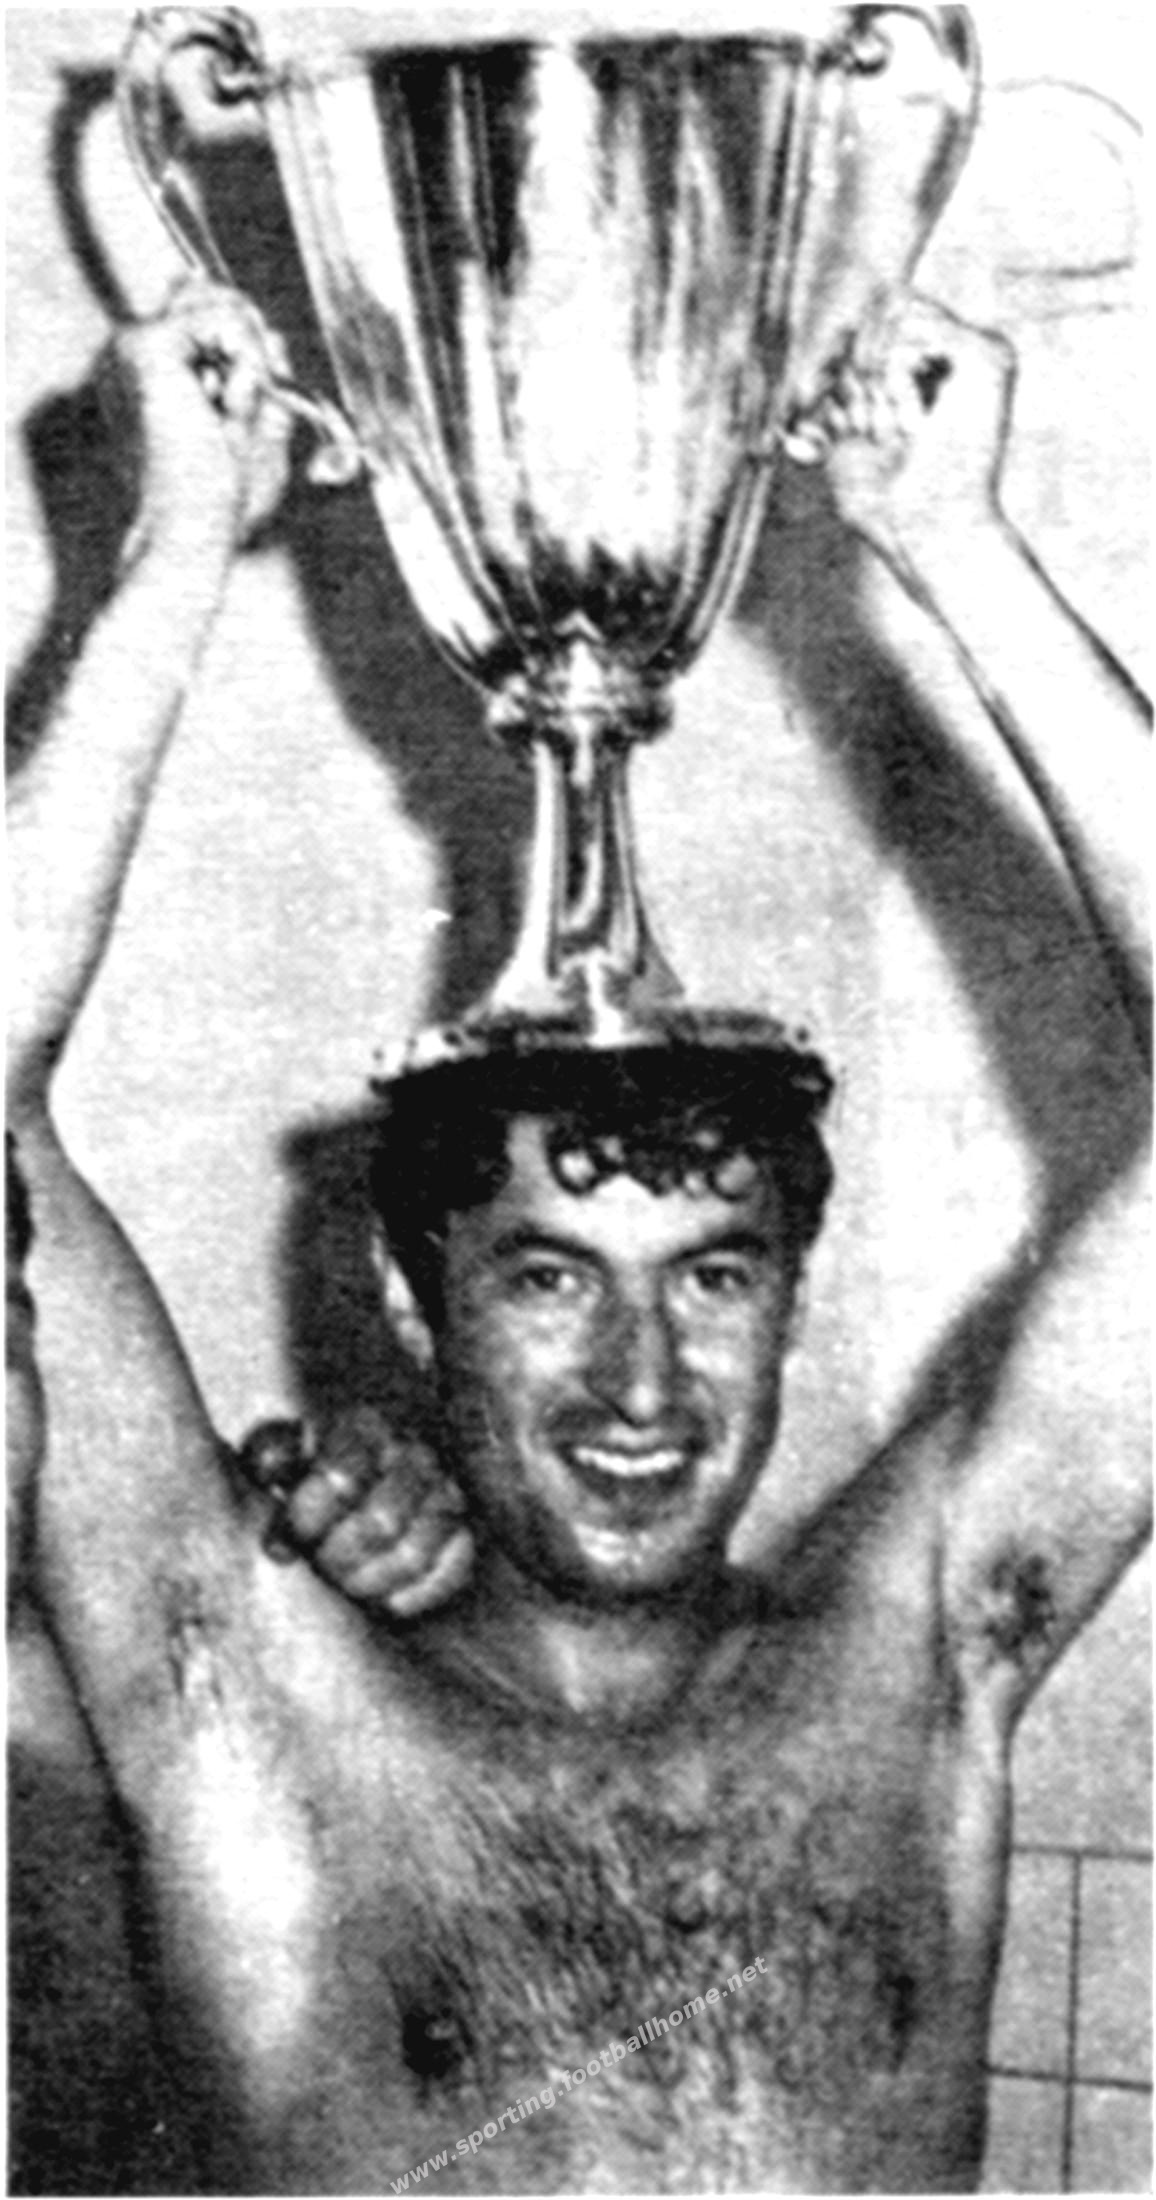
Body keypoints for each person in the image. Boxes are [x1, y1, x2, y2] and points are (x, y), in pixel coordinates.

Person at [7, 274, 1148, 2196]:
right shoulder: (254, 1707)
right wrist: (177, 547)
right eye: (549, 1277)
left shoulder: (921, 1651)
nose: (642, 1383)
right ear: (412, 1300)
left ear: (793, 1301)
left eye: (713, 1277)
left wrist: (960, 542)